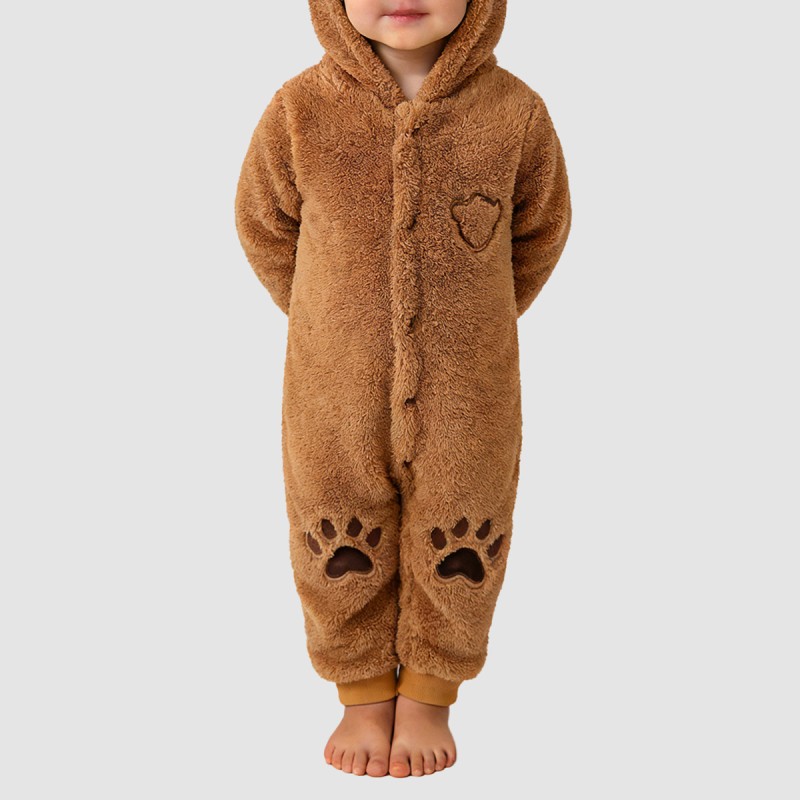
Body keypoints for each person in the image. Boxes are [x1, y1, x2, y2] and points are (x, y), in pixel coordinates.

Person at [234, 0, 572, 779]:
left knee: (466, 518)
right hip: (333, 386)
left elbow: (540, 230)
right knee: (334, 518)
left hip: (470, 385)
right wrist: (324, 316)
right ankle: (358, 691)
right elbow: (264, 224)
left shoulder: (515, 113)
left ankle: (430, 689)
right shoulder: (299, 110)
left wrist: (481, 320)